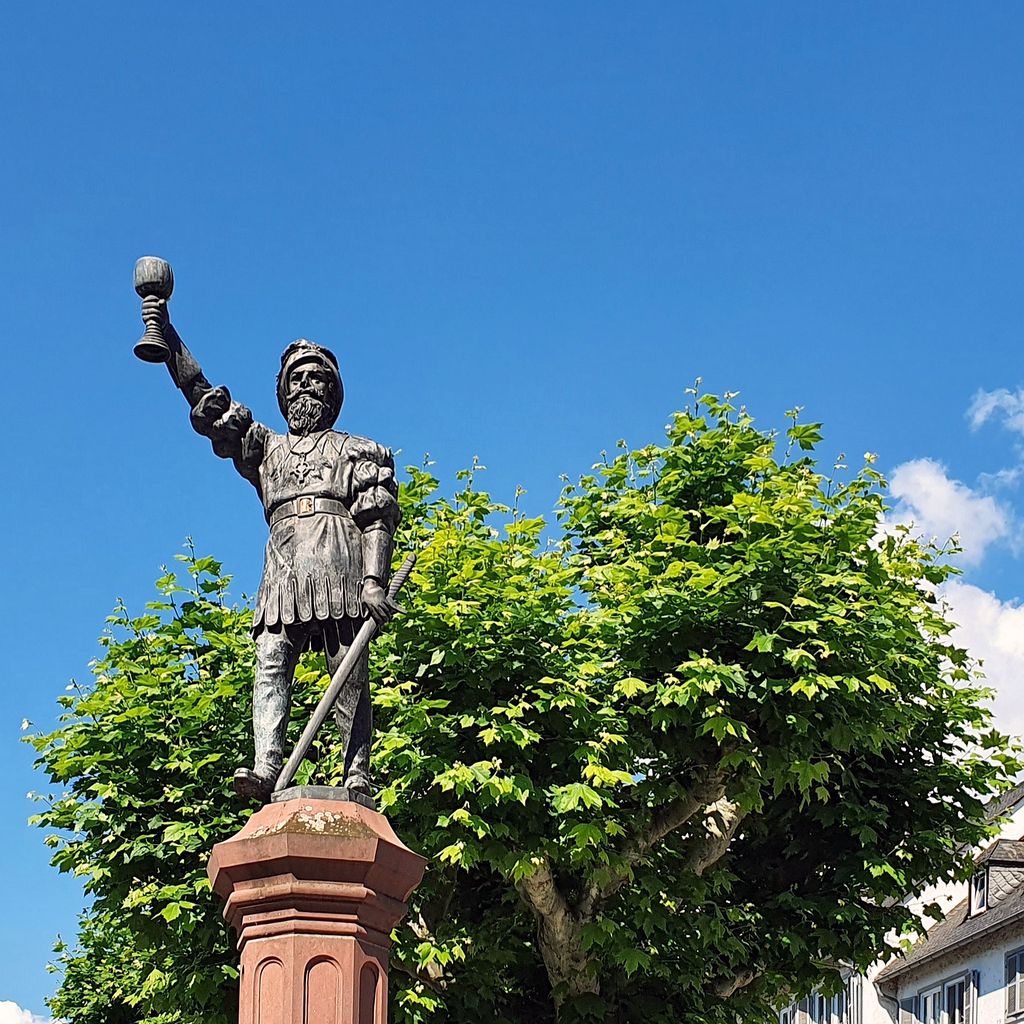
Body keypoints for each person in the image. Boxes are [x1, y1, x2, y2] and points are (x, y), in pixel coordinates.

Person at [153, 304, 401, 801]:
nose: (306, 386)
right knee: (270, 659)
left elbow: (376, 516)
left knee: (347, 669)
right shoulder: (266, 449)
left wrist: (374, 579)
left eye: (316, 379)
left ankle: (357, 772)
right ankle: (266, 764)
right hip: (284, 566)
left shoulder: (358, 450)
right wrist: (167, 337)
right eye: (297, 379)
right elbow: (210, 403)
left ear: (332, 391)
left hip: (340, 564)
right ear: (283, 392)